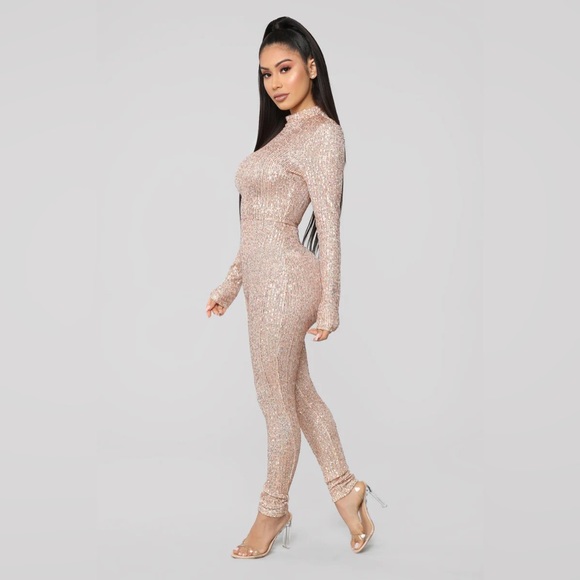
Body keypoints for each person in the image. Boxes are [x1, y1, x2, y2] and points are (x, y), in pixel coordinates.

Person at [205, 16, 387, 559]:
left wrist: (330, 305)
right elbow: (255, 228)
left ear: (311, 66)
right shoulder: (280, 135)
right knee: (300, 395)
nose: (275, 83)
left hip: (289, 282)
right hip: (262, 282)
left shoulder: (323, 135)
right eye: (266, 74)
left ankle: (272, 510)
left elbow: (327, 225)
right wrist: (229, 286)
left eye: (284, 69)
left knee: (274, 403)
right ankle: (346, 490)